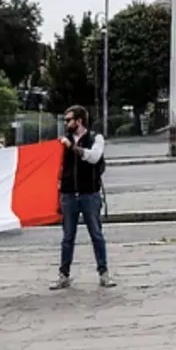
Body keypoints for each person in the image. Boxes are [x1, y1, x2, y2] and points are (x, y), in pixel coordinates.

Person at [50, 105, 116, 290]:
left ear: (79, 121)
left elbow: (94, 157)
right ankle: (63, 275)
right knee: (67, 238)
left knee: (96, 235)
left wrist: (72, 147)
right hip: (69, 194)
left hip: (89, 194)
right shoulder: (63, 141)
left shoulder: (95, 138)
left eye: (68, 120)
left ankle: (103, 273)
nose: (66, 123)